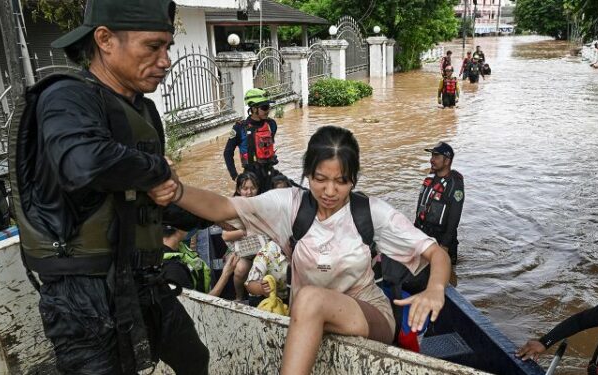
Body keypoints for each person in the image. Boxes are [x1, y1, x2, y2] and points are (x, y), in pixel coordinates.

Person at [148, 125, 452, 375]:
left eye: (341, 181)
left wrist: (435, 288)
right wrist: (178, 191)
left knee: (309, 299)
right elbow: (224, 207)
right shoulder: (290, 206)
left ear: (354, 180)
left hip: (367, 314)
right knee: (308, 302)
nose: (330, 191)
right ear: (307, 175)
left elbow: (437, 253)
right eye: (320, 179)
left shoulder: (371, 213)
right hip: (307, 315)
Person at [8, 1, 209, 373]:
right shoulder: (67, 98)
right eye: (152, 47)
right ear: (105, 40)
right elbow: (83, 163)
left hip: (144, 277)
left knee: (193, 357)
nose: (165, 61)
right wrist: (156, 170)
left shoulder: (142, 112)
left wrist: (222, 216)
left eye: (168, 48)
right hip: (83, 292)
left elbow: (148, 202)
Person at [415, 142, 464, 273]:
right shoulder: (431, 178)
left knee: (444, 278)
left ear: (447, 160)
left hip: (442, 241)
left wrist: (445, 245)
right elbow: (421, 207)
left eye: (436, 156)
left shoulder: (454, 184)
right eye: (431, 156)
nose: (431, 159)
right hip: (425, 237)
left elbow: (455, 217)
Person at [223, 88, 280, 193]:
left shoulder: (271, 124)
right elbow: (227, 153)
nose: (268, 110)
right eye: (264, 107)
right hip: (250, 178)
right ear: (254, 109)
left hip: (269, 175)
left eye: (268, 107)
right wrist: (235, 176)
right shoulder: (239, 128)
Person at [162, 224, 239, 296]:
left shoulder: (176, 245)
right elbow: (200, 304)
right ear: (178, 228)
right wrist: (226, 273)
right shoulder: (174, 270)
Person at [221, 171, 264, 300]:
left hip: (261, 248)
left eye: (253, 188)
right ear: (239, 190)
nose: (249, 192)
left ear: (258, 189)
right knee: (240, 269)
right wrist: (246, 231)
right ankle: (239, 297)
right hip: (242, 249)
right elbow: (225, 236)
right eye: (245, 188)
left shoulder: (263, 204)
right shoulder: (233, 207)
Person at [245, 241, 289, 307]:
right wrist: (261, 288)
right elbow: (249, 285)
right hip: (263, 297)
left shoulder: (306, 249)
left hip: (290, 297)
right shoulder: (267, 251)